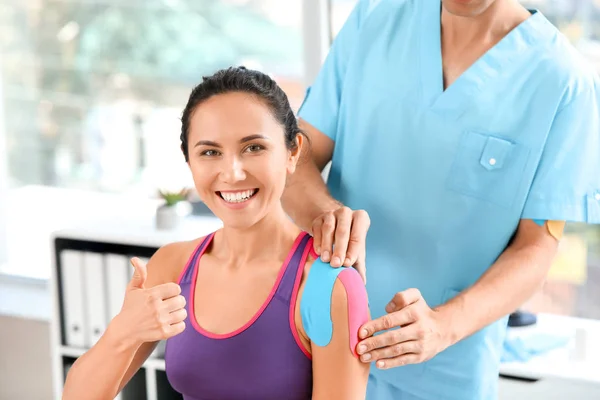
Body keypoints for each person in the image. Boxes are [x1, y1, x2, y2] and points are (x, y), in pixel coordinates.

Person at [281, 0, 600, 399]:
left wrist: (441, 326)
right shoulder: (374, 20)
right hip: (316, 338)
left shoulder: (562, 82)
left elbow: (536, 249)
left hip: (443, 372)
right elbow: (296, 159)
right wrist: (326, 214)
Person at [62, 67, 370, 400]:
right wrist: (122, 333)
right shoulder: (172, 266)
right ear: (189, 162)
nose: (232, 173)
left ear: (292, 152)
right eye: (210, 152)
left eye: (253, 148)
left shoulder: (328, 287)